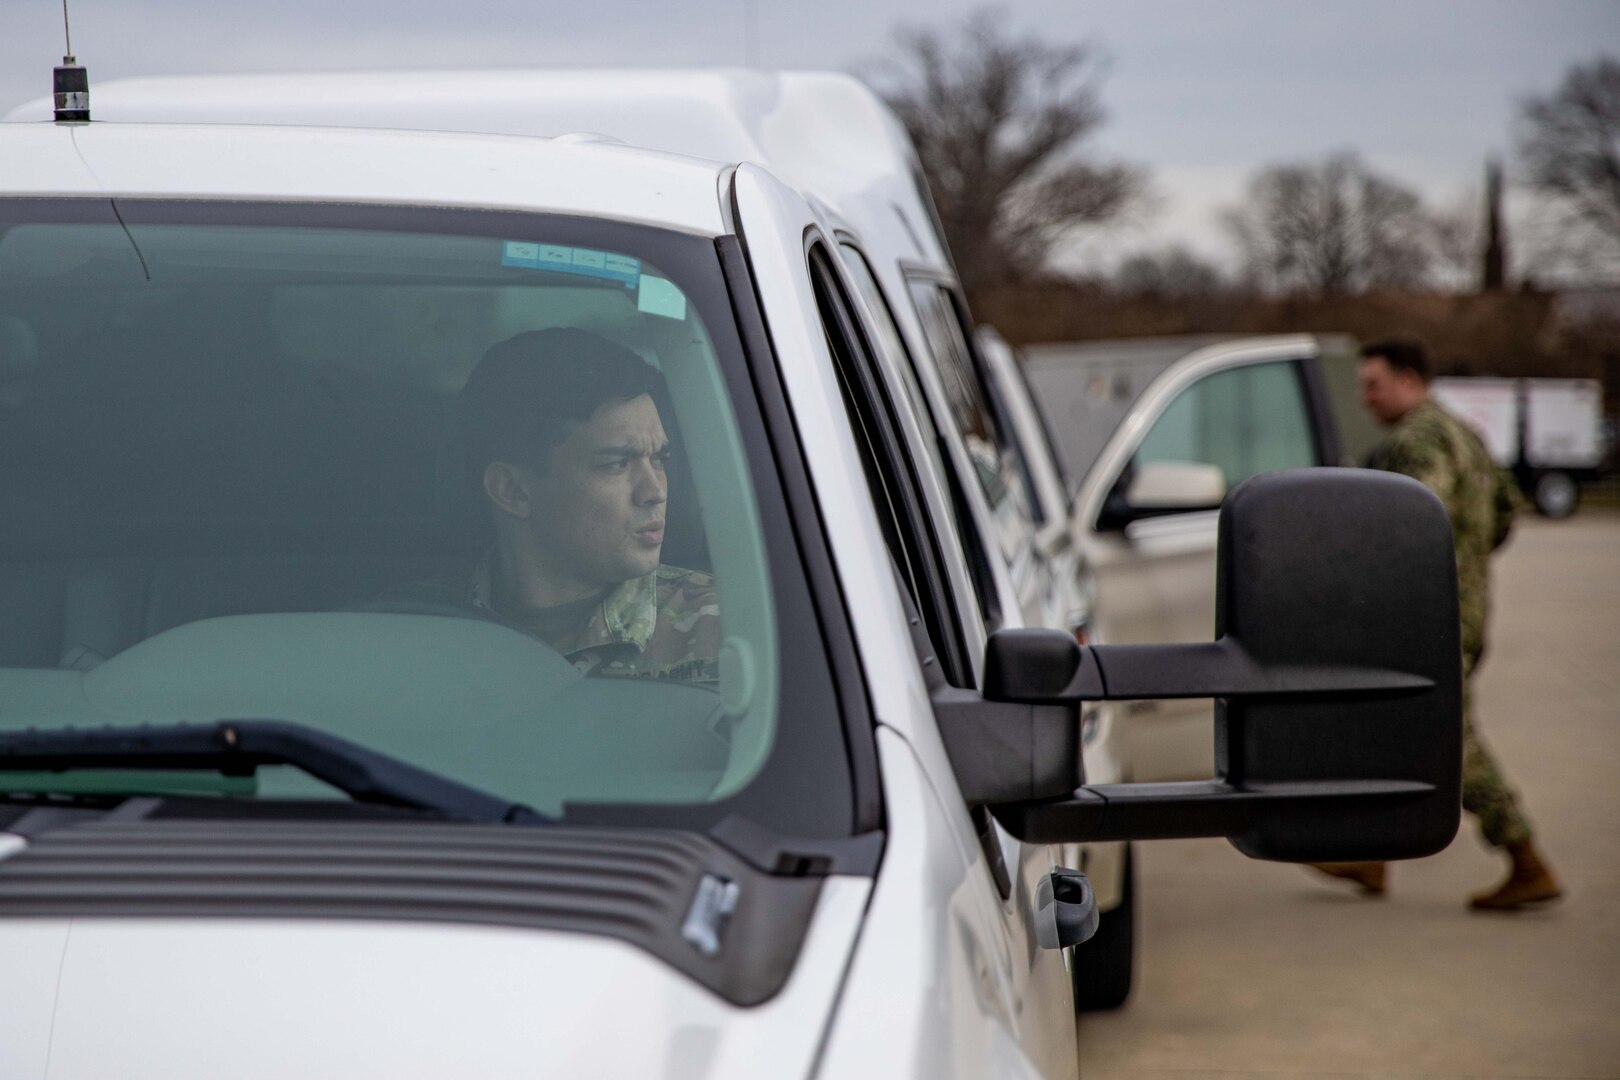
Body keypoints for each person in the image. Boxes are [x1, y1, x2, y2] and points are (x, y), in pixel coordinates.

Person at [1311, 339, 1561, 910]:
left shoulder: (1416, 441)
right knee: (1391, 727)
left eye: (1373, 386)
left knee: (1447, 741)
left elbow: (1407, 521)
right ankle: (1371, 855)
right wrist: (1470, 564)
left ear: (1408, 380)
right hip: (1464, 607)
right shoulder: (1463, 433)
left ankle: (1524, 854)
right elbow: (1506, 510)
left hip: (1426, 616)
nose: (1366, 400)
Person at [398, 327, 720, 684]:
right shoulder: (409, 633)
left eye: (660, 459)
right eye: (617, 464)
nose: (655, 491)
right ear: (514, 491)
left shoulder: (731, 631)